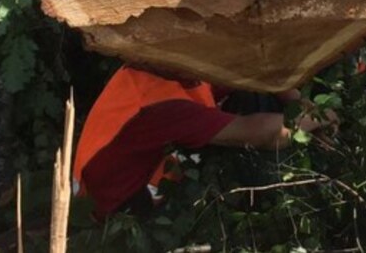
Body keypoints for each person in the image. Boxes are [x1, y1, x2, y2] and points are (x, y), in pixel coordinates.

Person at [72, 65, 332, 218]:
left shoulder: (164, 64)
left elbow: (248, 68)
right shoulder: (163, 106)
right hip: (120, 209)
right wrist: (321, 117)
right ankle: (264, 210)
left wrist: (298, 102)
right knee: (254, 116)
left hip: (122, 177)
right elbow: (264, 134)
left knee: (249, 93)